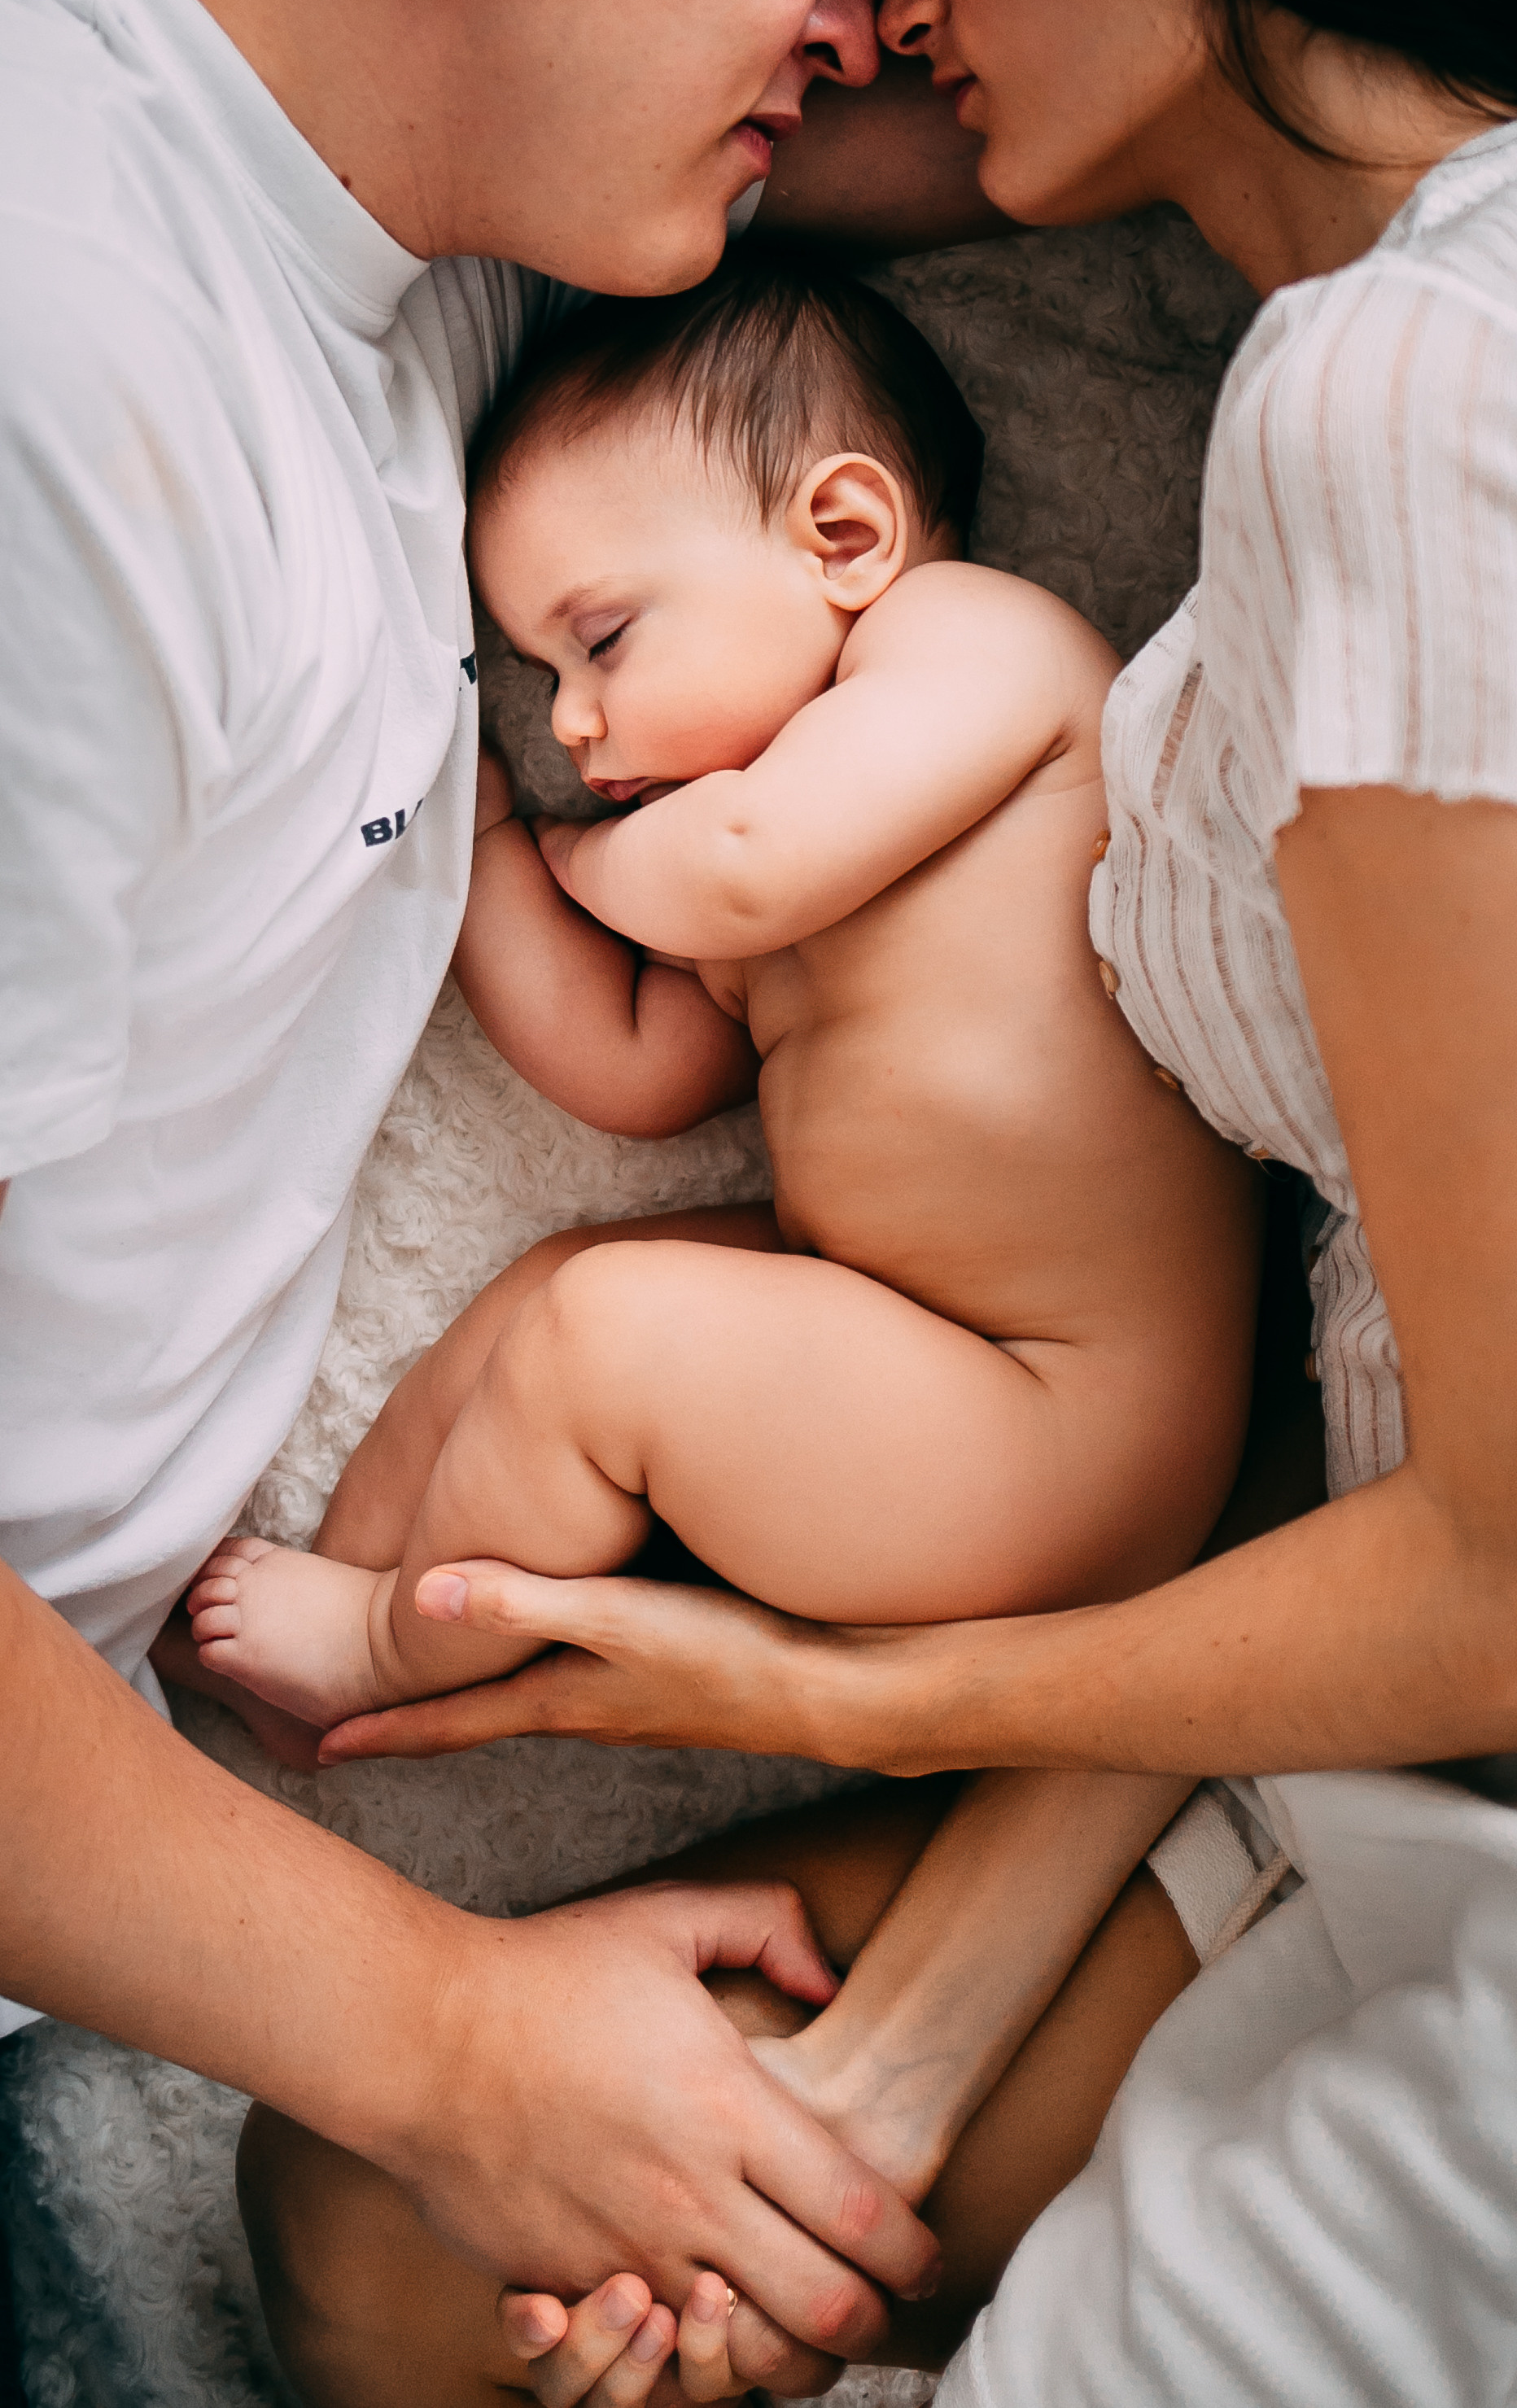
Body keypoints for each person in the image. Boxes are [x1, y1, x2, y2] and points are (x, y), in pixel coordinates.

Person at [271, 0, 1517, 2401]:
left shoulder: (1414, 381)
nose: (864, 4)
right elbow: (1372, 1361)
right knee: (377, 2221)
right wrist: (908, 2027)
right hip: (1334, 1643)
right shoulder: (1445, 318)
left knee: (455, 2254)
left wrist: (832, 1692)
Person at [0, 0, 1036, 2388]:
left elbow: (1028, 108)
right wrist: (451, 2043)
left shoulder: (416, 253)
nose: (861, 23)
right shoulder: (60, 357)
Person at [185, 250, 1257, 1735]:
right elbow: (634, 1070)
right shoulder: (756, 859)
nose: (568, 719)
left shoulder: (976, 646)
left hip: (1062, 1427)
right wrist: (487, 843)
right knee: (551, 1290)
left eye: (603, 638)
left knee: (605, 1336)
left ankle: (389, 1638)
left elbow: (746, 865)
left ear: (845, 533)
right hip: (913, 1351)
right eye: (540, 671)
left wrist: (577, 852)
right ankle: (340, 1576)